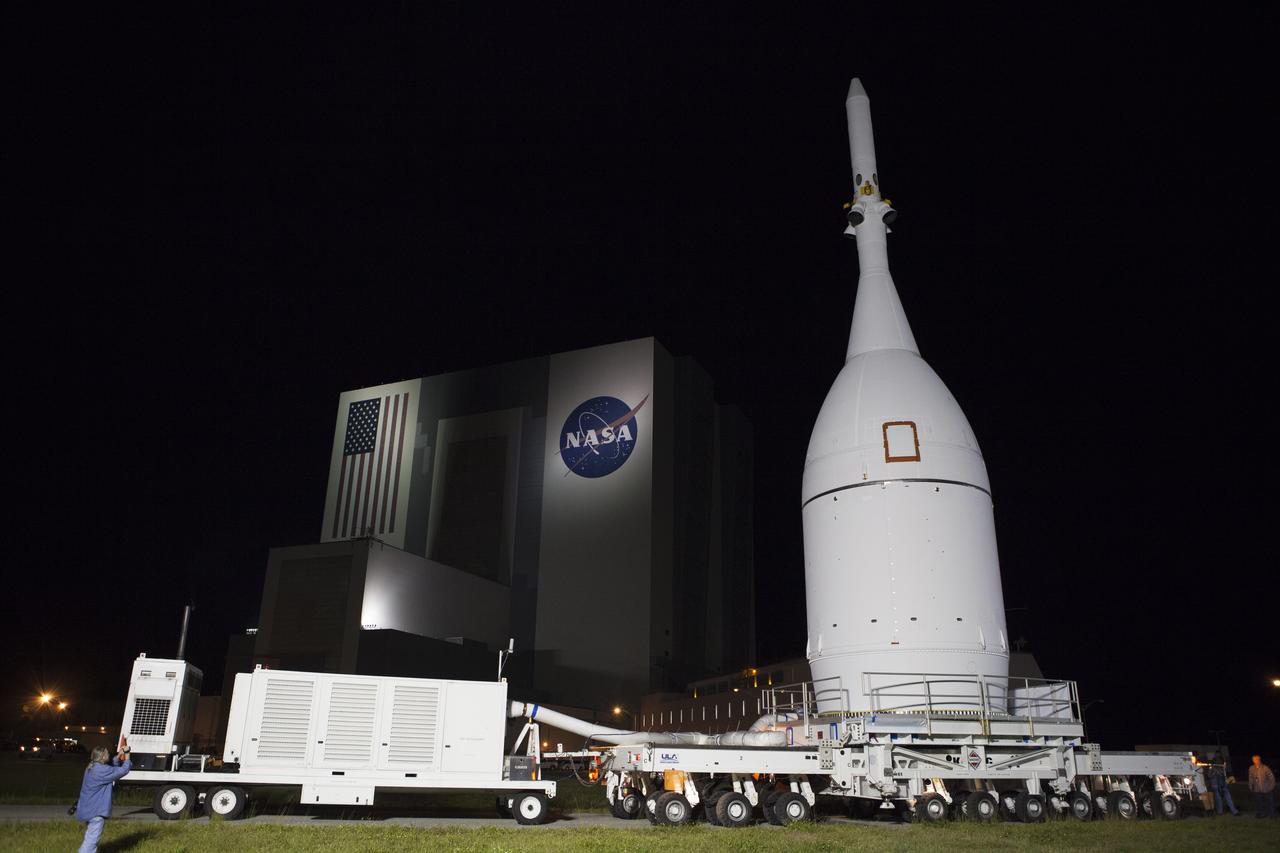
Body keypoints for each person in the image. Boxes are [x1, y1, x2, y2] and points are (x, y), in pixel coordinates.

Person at [75, 736, 131, 853]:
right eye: (107, 754)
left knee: (90, 839)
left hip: (87, 808)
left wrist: (118, 756)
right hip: (96, 811)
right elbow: (123, 770)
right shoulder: (102, 770)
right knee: (91, 842)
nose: (108, 755)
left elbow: (112, 770)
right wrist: (127, 755)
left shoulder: (92, 767)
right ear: (102, 756)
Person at [1248, 754, 1276, 819]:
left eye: (1257, 759)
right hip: (1257, 789)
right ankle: (1260, 814)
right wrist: (1251, 786)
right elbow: (1250, 778)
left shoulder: (1265, 768)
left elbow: (1272, 778)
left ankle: (1272, 815)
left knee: (1270, 803)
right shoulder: (1251, 768)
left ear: (1259, 760)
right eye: (1254, 759)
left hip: (1267, 789)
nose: (1255, 761)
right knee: (1259, 803)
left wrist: (1271, 787)